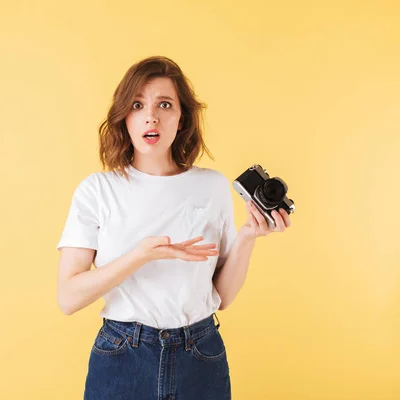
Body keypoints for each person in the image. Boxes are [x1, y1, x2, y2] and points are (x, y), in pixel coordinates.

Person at [56, 56, 291, 400]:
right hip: (123, 356)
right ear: (125, 117)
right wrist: (141, 256)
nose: (151, 115)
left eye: (164, 104)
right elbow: (68, 298)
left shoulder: (210, 187)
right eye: (138, 105)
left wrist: (248, 237)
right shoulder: (97, 190)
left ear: (181, 119)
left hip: (200, 354)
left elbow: (221, 297)